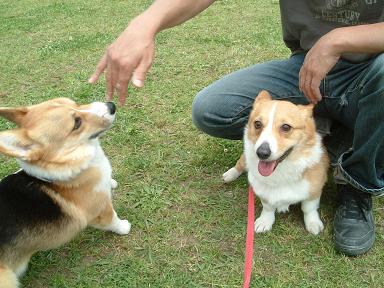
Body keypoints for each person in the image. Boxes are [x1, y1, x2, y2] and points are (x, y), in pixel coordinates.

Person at [88, 0, 384, 256]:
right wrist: (146, 23)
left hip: (372, 67)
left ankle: (357, 184)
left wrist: (337, 40)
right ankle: (338, 130)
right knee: (211, 109)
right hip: (304, 66)